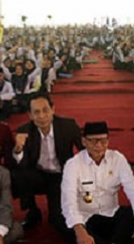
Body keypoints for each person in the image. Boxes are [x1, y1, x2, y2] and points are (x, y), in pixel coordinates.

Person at [61, 121, 134, 244]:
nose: (99, 145)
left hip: (111, 215)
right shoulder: (73, 164)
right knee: (68, 226)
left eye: (103, 140)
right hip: (87, 219)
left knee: (132, 216)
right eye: (93, 141)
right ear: (84, 141)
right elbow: (68, 201)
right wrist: (80, 231)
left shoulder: (118, 158)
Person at [12, 92, 82, 230]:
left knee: (56, 219)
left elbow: (84, 151)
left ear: (53, 109)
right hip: (38, 174)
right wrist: (18, 149)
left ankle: (56, 210)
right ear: (30, 115)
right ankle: (32, 211)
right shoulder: (24, 131)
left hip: (60, 175)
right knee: (18, 174)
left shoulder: (68, 126)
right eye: (36, 112)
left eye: (45, 110)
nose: (42, 116)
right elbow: (22, 163)